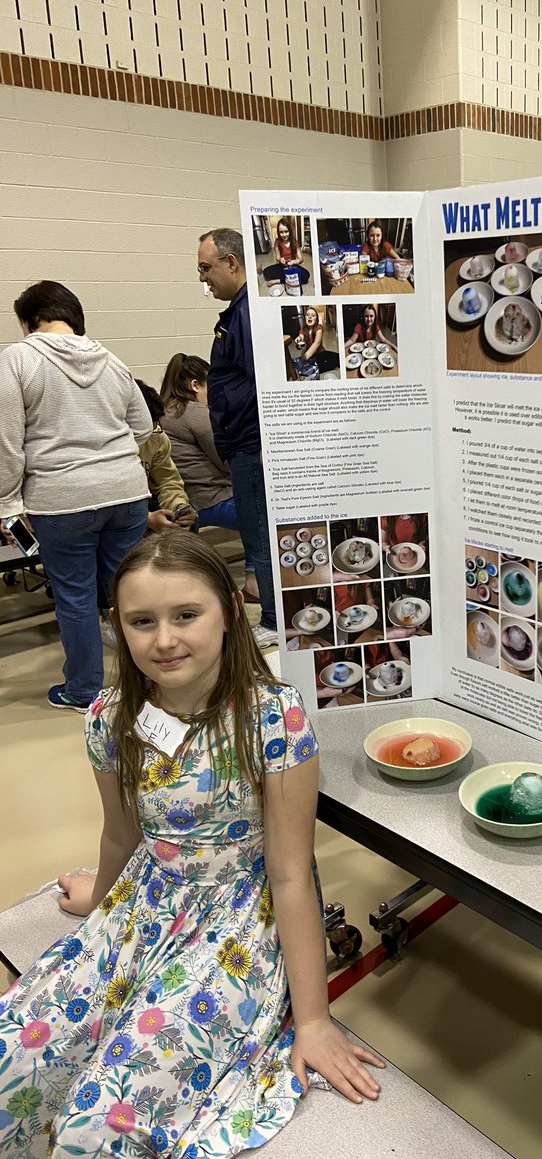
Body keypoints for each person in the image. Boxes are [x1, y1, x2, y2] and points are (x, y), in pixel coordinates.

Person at [0, 532, 383, 1155]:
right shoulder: (109, 716)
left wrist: (314, 1019)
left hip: (242, 915)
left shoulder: (271, 717)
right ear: (117, 626)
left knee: (104, 1115)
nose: (164, 640)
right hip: (146, 899)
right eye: (141, 622)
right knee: (18, 1055)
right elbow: (121, 832)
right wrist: (102, 901)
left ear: (230, 611)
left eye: (186, 615)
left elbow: (291, 873)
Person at [0, 281, 151, 710]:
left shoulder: (18, 359)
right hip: (127, 494)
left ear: (30, 320)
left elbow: (7, 443)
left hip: (62, 499)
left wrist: (8, 503)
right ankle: (148, 680)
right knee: (130, 591)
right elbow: (143, 427)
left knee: (76, 596)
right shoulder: (111, 359)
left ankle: (84, 691)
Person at [197, 227, 277, 649]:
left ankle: (274, 620)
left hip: (251, 443)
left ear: (231, 262)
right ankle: (275, 616)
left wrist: (263, 441)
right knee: (257, 532)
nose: (202, 278)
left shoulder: (246, 314)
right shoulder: (238, 313)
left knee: (258, 533)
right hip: (245, 441)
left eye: (205, 268)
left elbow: (261, 381)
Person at [159, 352, 259, 600]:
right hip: (209, 501)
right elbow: (226, 463)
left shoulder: (164, 411)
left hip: (182, 502)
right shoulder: (195, 412)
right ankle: (253, 582)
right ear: (195, 385)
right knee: (261, 513)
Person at [135, 380, 197, 534]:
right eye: (145, 430)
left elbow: (167, 482)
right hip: (114, 512)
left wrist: (178, 506)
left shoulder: (156, 436)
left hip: (144, 501)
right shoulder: (103, 445)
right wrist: (147, 519)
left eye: (154, 427)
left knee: (185, 523)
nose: (151, 433)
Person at [283, 306, 340, 381]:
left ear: (316, 319)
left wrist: (306, 355)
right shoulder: (303, 329)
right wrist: (298, 340)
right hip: (312, 356)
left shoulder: (319, 328)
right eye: (308, 315)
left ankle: (334, 365)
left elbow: (317, 342)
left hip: (320, 351)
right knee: (314, 369)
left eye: (313, 315)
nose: (310, 317)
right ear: (305, 318)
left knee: (338, 357)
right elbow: (301, 337)